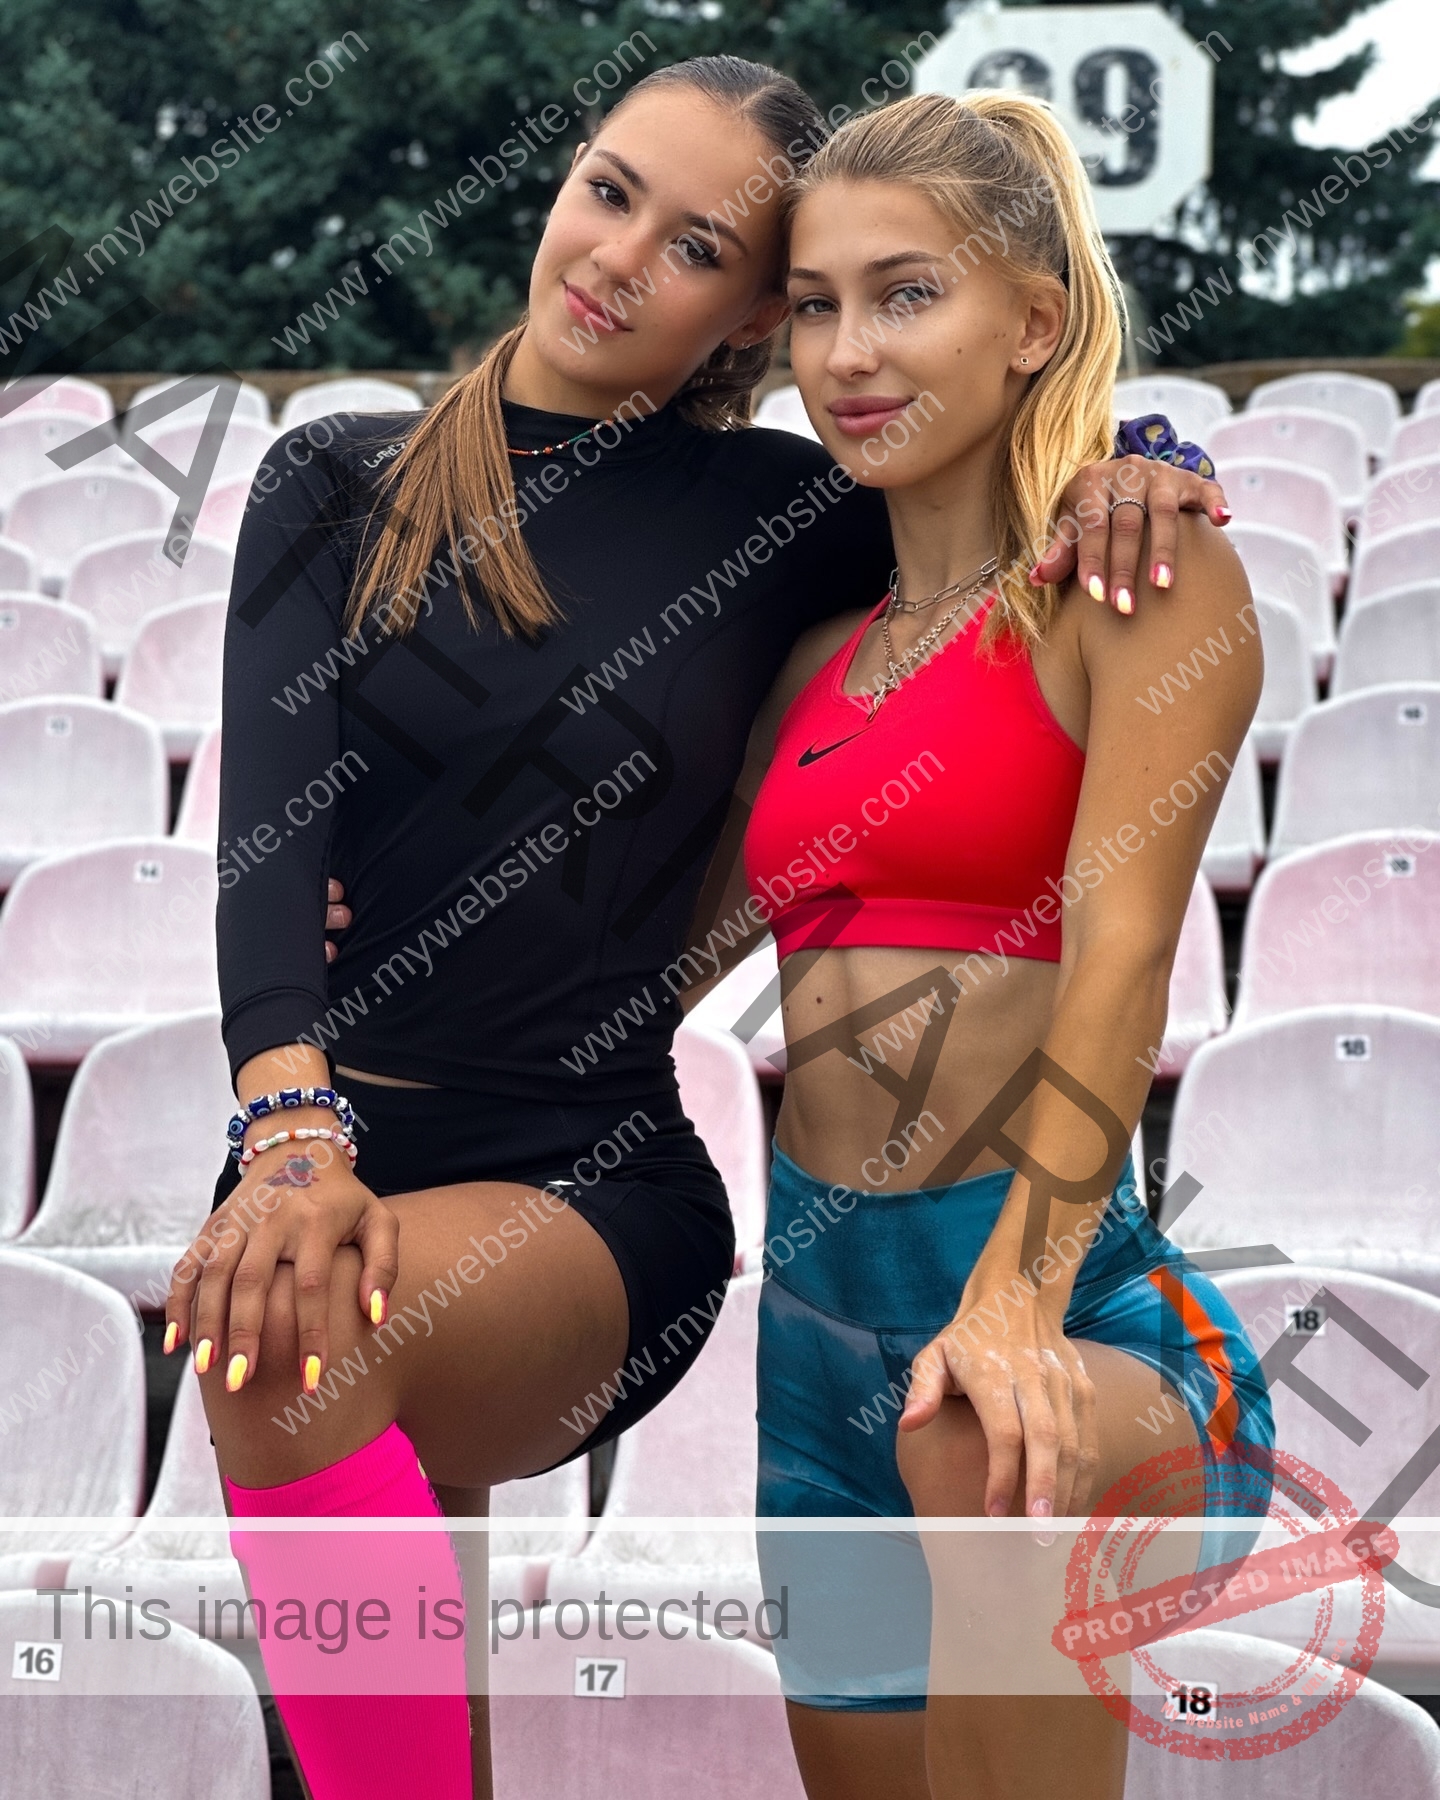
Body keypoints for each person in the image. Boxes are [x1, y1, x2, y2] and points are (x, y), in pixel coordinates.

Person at [164, 56, 1232, 1800]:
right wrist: (290, 1123)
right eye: (607, 191)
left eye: (697, 249)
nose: (616, 258)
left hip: (588, 1186)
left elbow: (991, 497)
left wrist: (1137, 461)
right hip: (328, 1148)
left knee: (296, 1340)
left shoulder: (783, 522)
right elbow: (265, 858)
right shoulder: (331, 480)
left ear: (746, 323)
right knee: (362, 1677)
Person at [727, 90, 1275, 1799]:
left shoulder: (1140, 580)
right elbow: (638, 973)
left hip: (1077, 1310)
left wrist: (1021, 1300)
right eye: (814, 305)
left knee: (982, 1442)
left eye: (907, 294)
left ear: (1035, 321)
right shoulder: (808, 654)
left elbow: (1122, 968)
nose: (846, 352)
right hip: (815, 1331)